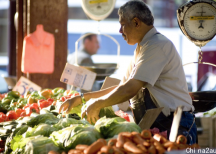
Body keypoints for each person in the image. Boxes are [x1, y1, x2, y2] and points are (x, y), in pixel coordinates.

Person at [59, 0, 197, 144]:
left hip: (177, 125)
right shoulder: (142, 48)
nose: (120, 31)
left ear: (136, 23)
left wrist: (98, 104)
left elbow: (129, 90)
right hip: (160, 124)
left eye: (122, 24)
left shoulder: (158, 46)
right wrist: (82, 98)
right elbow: (122, 87)